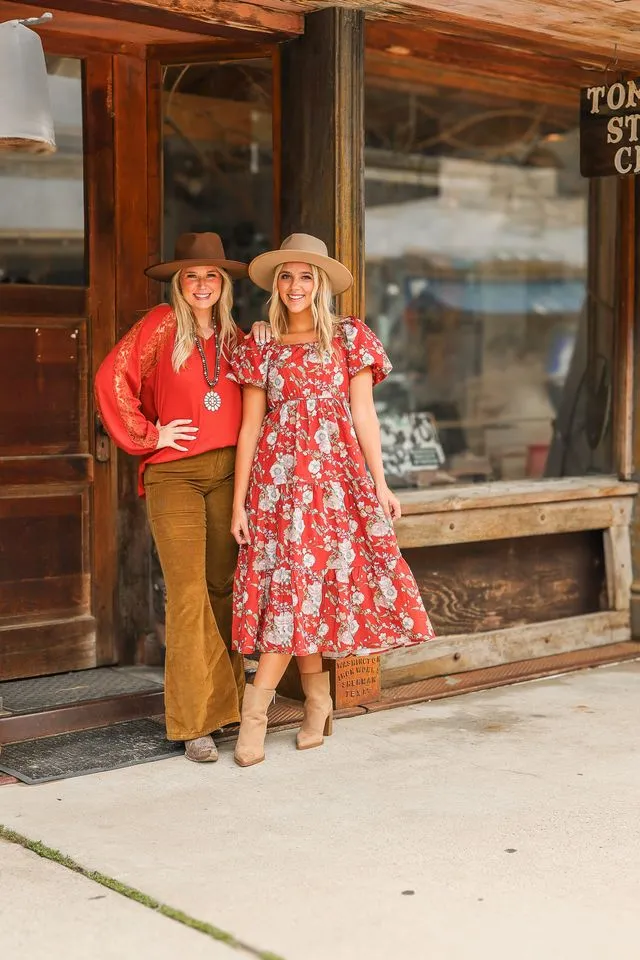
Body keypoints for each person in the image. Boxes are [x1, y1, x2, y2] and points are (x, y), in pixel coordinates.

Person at [229, 234, 435, 767]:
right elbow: (249, 427)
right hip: (277, 486)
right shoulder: (261, 343)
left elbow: (364, 416)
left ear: (320, 284)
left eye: (305, 276)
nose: (294, 286)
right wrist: (239, 503)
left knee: (309, 589)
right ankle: (313, 703)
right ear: (276, 285)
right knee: (291, 590)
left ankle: (269, 713)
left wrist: (381, 482)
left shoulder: (350, 337)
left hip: (334, 484)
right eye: (285, 276)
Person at [95, 232, 271, 763]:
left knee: (222, 588)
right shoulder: (159, 326)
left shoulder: (235, 334)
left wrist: (263, 330)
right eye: (191, 276)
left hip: (228, 474)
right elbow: (111, 378)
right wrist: (150, 435)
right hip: (176, 475)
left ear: (223, 285)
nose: (201, 284)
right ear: (179, 282)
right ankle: (195, 722)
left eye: (210, 276)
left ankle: (230, 708)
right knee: (189, 591)